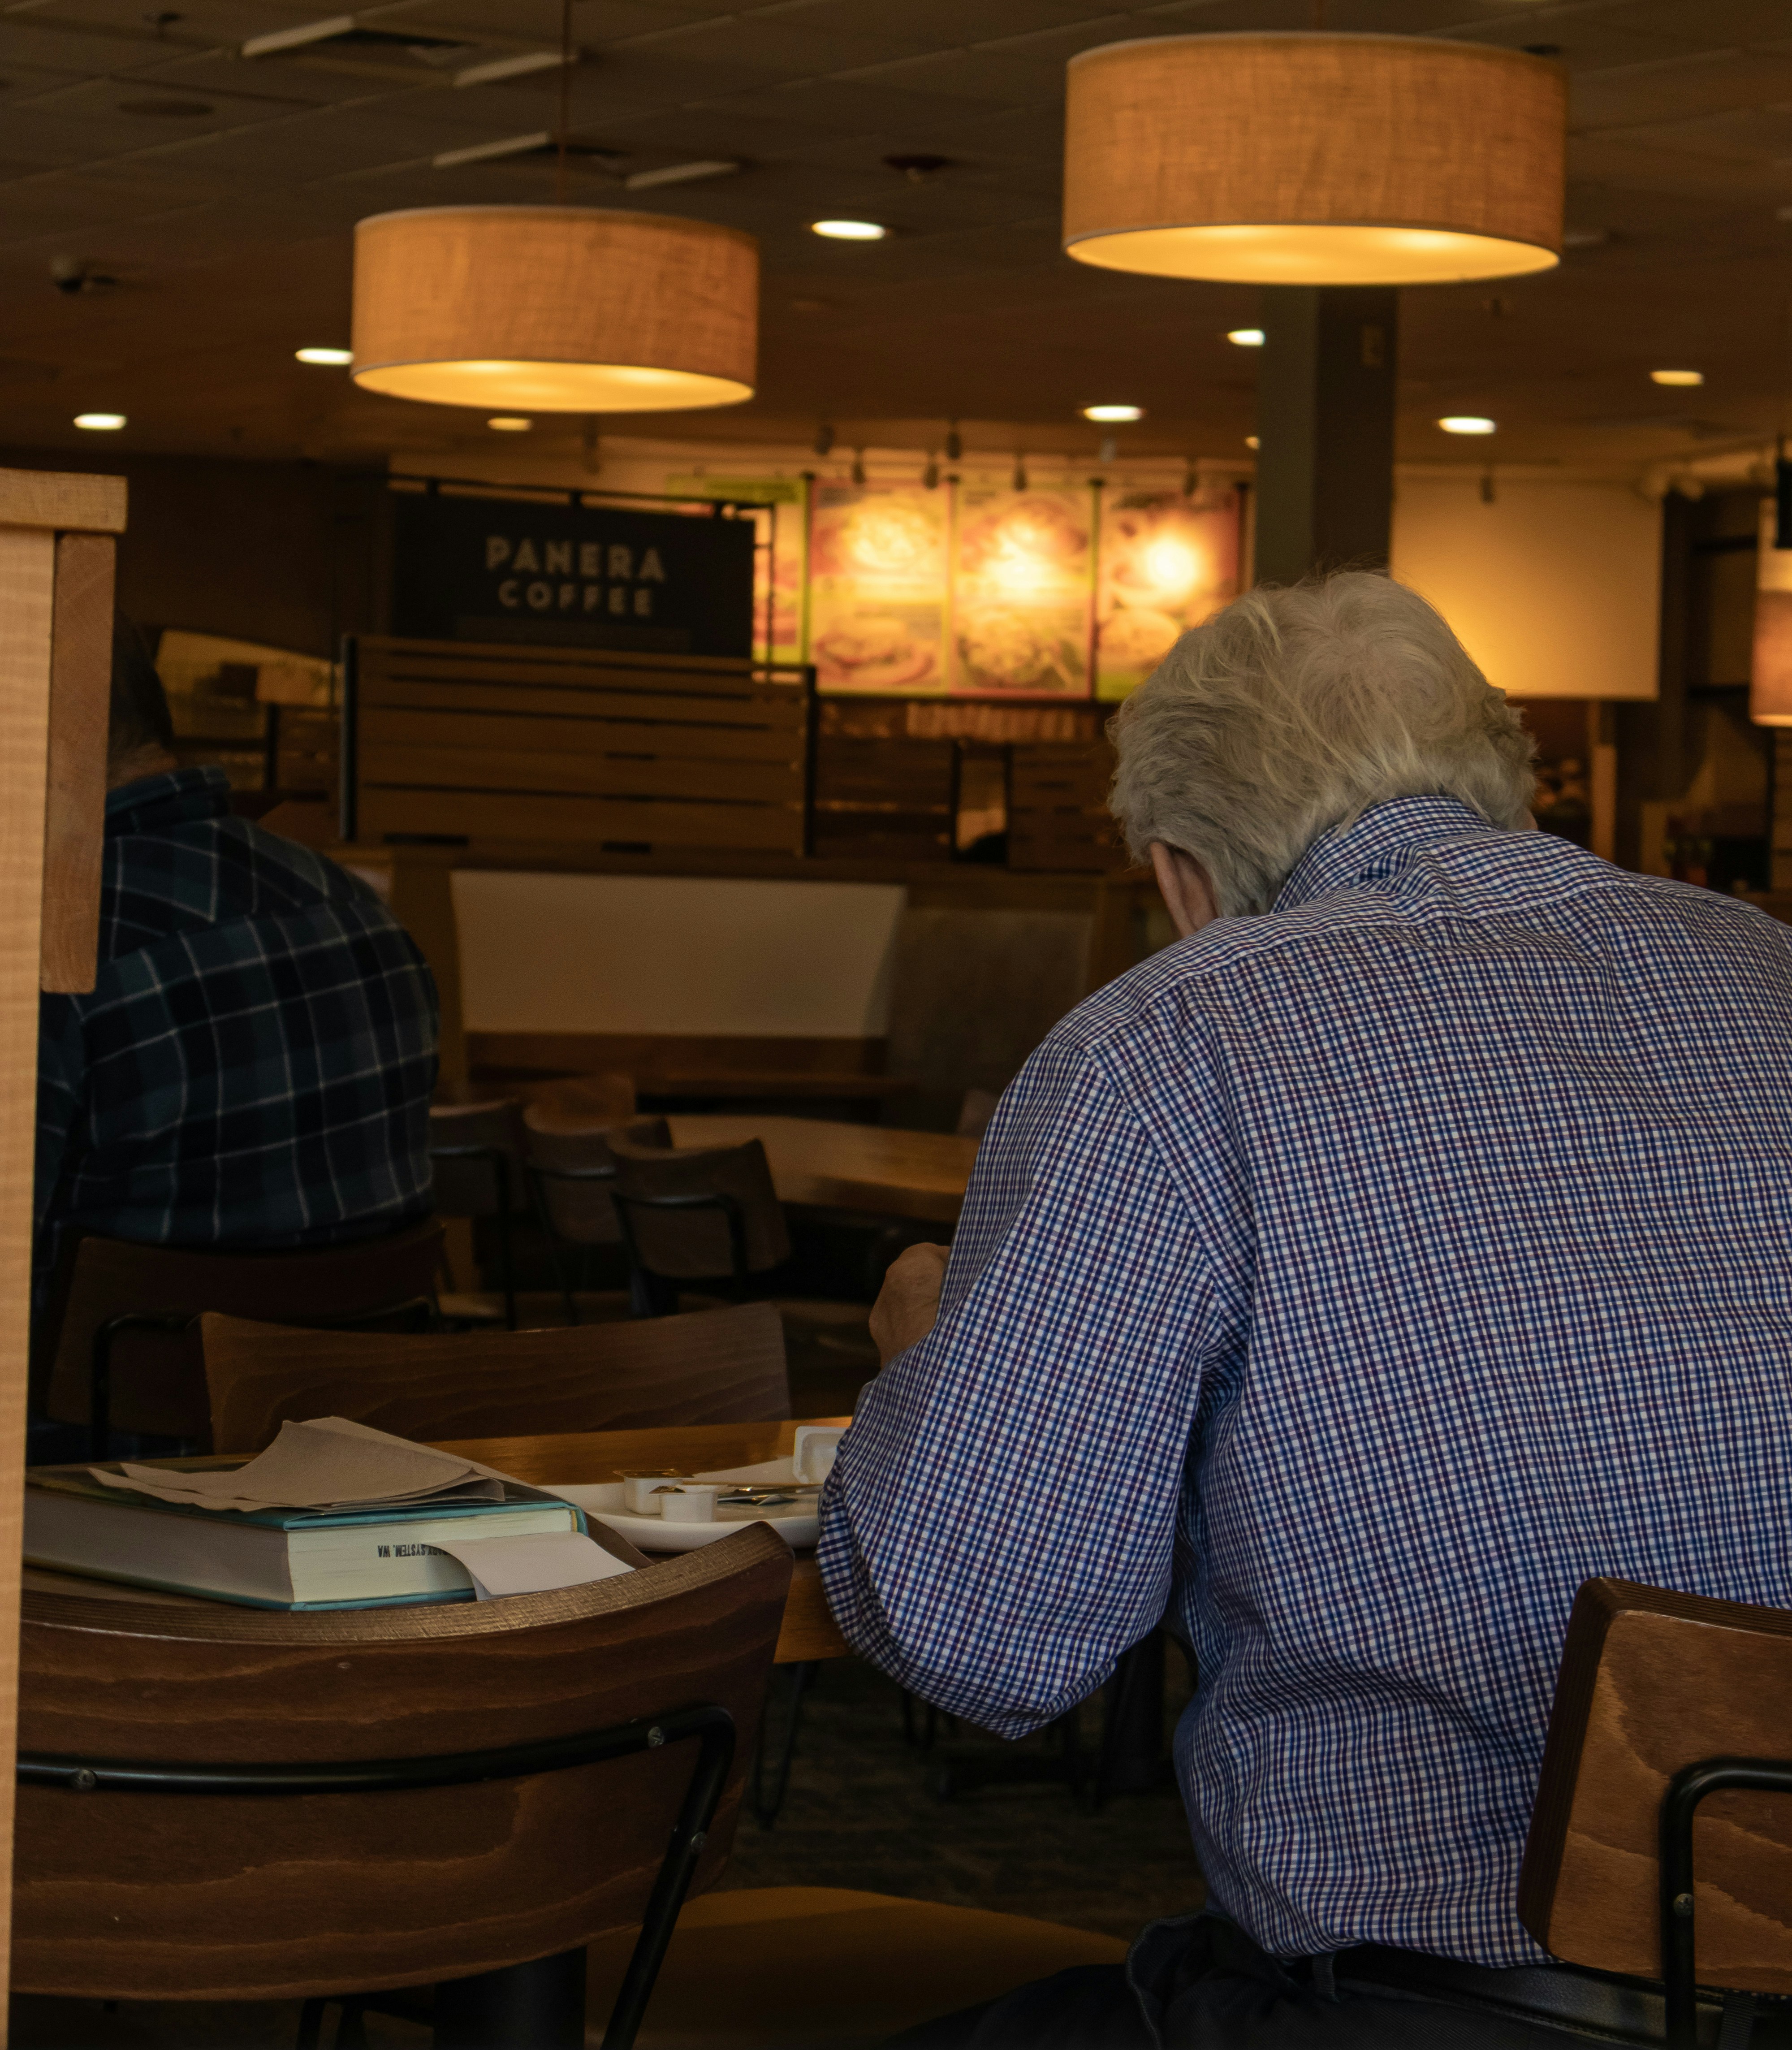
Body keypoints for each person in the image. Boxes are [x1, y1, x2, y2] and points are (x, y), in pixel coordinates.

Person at [818, 573, 1792, 2047]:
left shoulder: (1170, 1040)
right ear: (1502, 778)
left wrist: (924, 1363)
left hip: (1446, 2006)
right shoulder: (1771, 967)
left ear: (1181, 877)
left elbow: (986, 1638)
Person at [33, 619, 439, 1326]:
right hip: (367, 1393)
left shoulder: (61, 948)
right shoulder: (362, 911)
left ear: (37, 730)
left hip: (103, 1400)